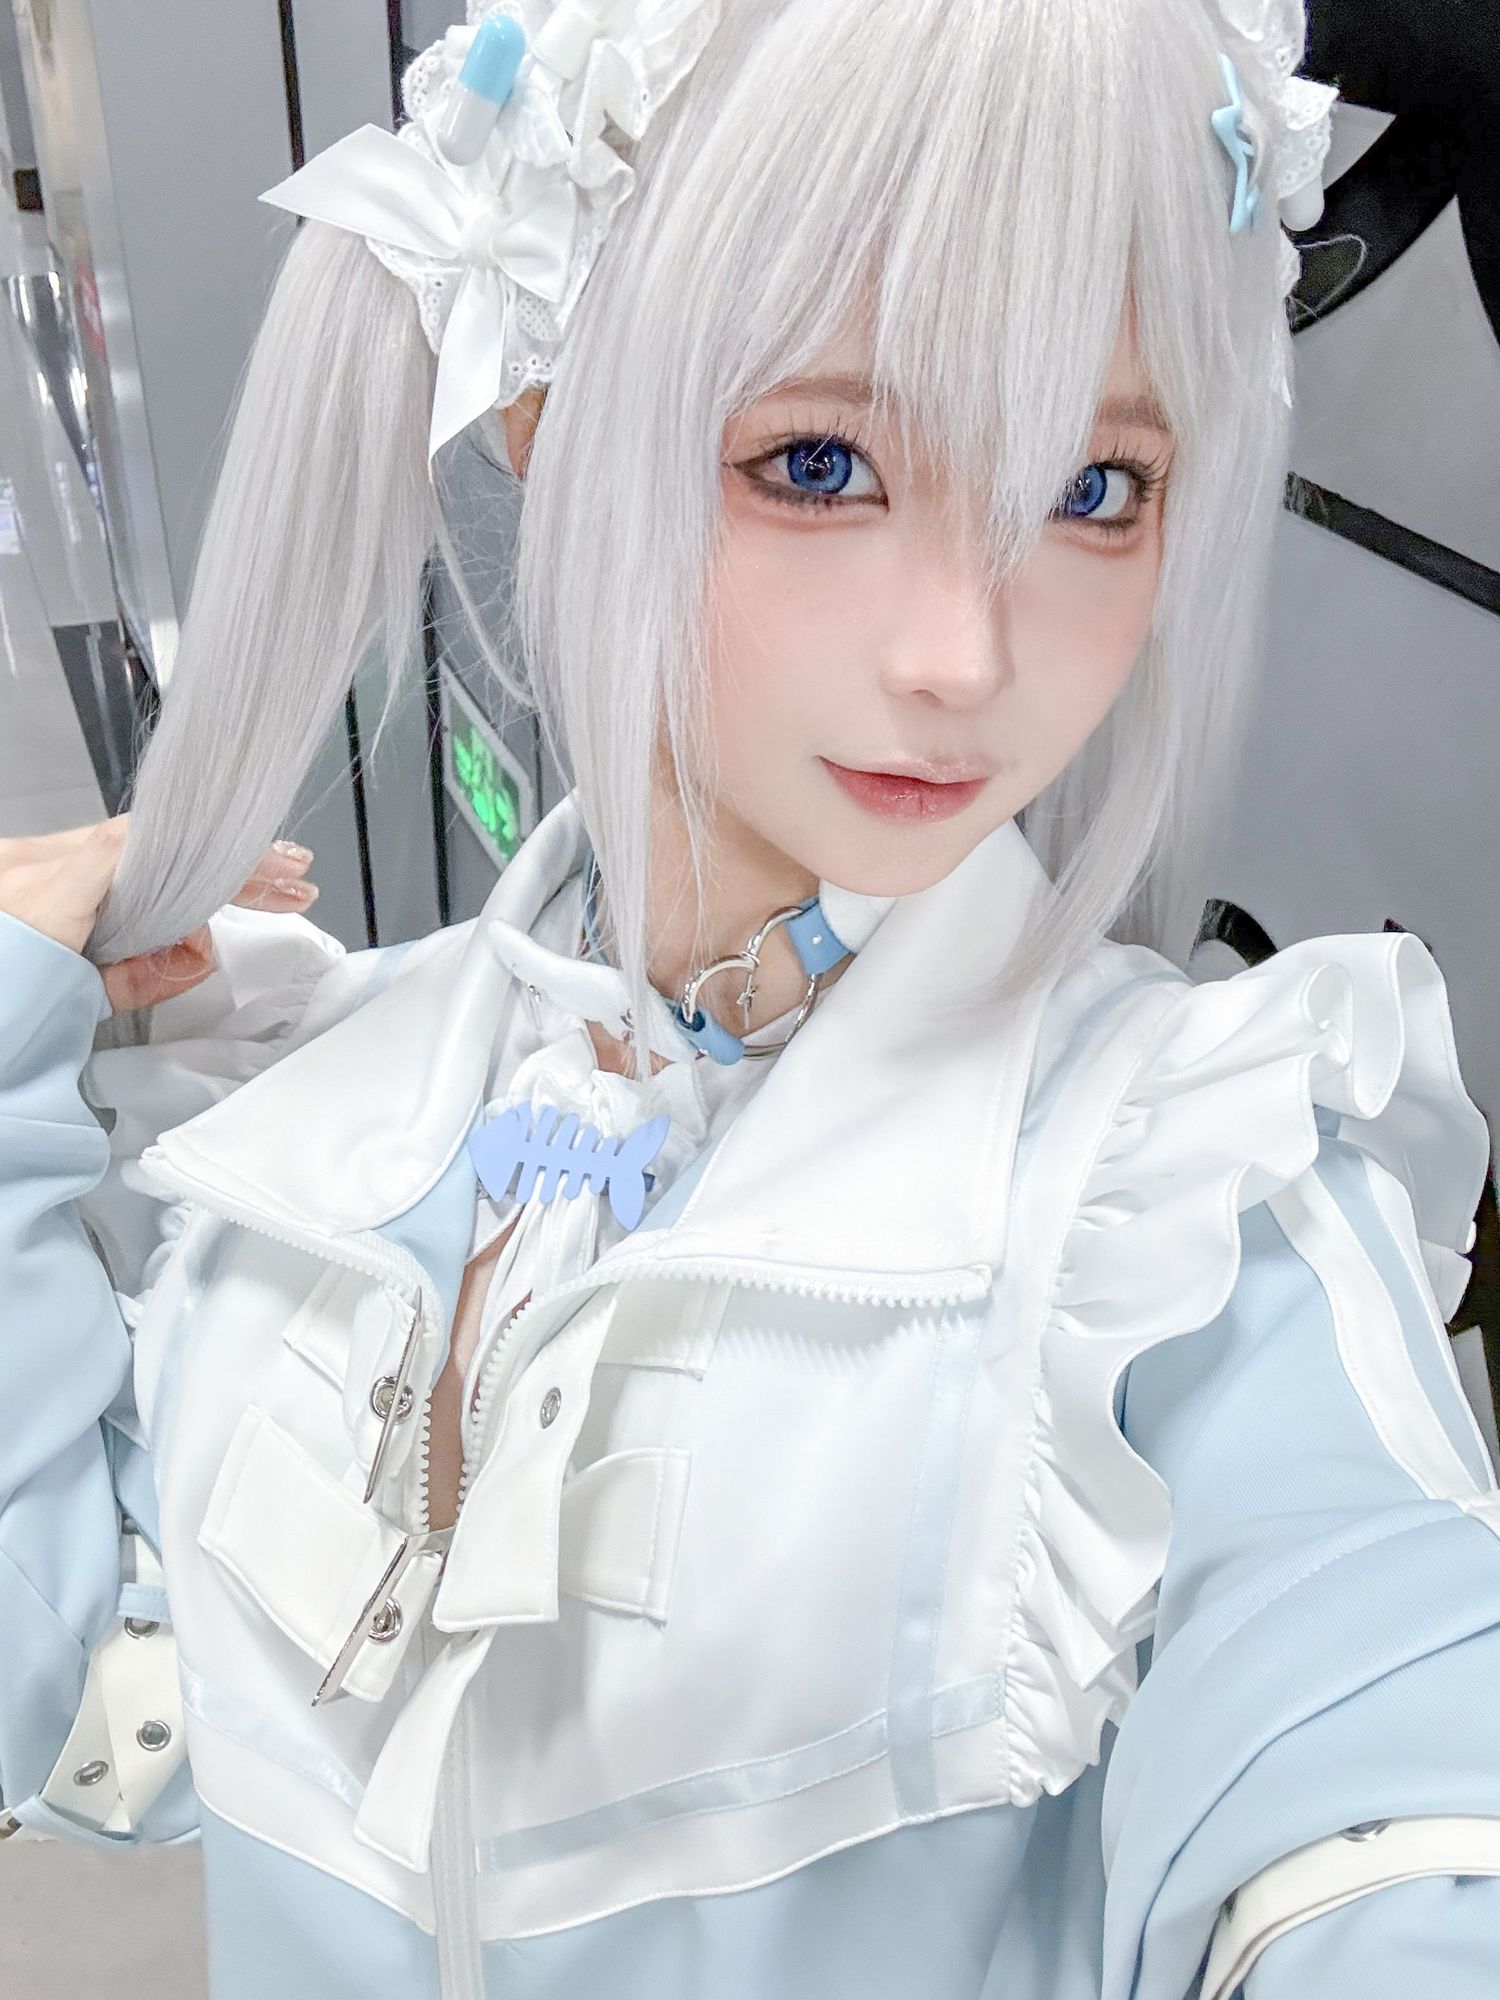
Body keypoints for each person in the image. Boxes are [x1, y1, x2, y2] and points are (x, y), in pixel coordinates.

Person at [2, 3, 1498, 1995]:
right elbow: (104, 1714)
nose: (968, 652)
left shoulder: (1193, 1208)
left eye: (1095, 488)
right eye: (820, 460)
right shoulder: (343, 1085)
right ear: (548, 419)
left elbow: (1387, 1809)